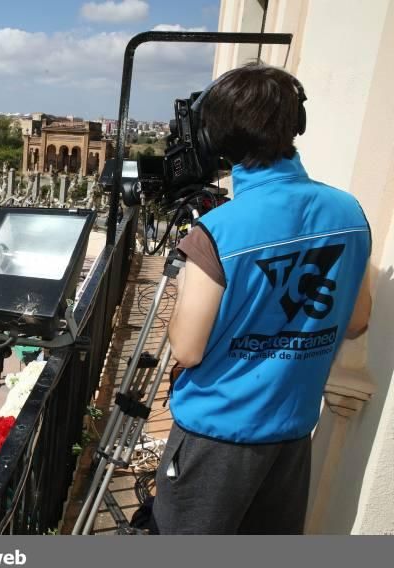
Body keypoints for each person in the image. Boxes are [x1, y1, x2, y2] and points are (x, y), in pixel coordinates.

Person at [153, 64, 373, 535]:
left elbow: (188, 349)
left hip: (214, 437)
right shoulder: (349, 212)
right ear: (296, 127)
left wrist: (182, 287)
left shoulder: (220, 230)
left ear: (218, 141)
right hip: (292, 435)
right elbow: (357, 320)